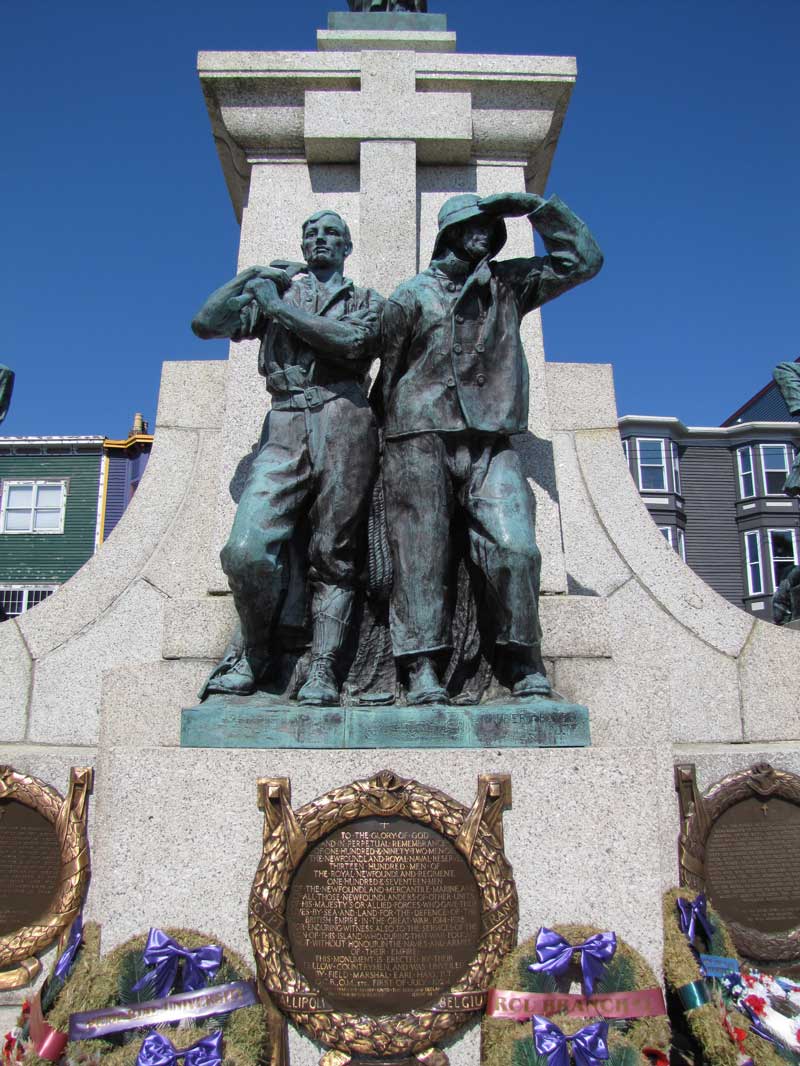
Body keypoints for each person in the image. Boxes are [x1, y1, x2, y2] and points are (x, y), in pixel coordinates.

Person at [380, 191, 603, 704]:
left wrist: (536, 207)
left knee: (516, 548)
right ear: (449, 232)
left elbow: (583, 261)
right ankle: (421, 668)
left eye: (489, 224)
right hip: (418, 434)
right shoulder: (410, 294)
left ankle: (521, 658)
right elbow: (389, 372)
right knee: (420, 556)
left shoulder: (511, 283)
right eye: (472, 223)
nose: (484, 230)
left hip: (489, 438)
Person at [192, 211, 383, 704]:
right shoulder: (277, 292)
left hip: (345, 416)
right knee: (245, 550)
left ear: (347, 247)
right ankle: (254, 652)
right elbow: (205, 323)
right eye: (311, 234)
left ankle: (323, 668)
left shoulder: (366, 300)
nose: (320, 240)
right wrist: (251, 278)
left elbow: (351, 343)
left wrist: (275, 307)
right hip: (285, 419)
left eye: (331, 234)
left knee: (334, 553)